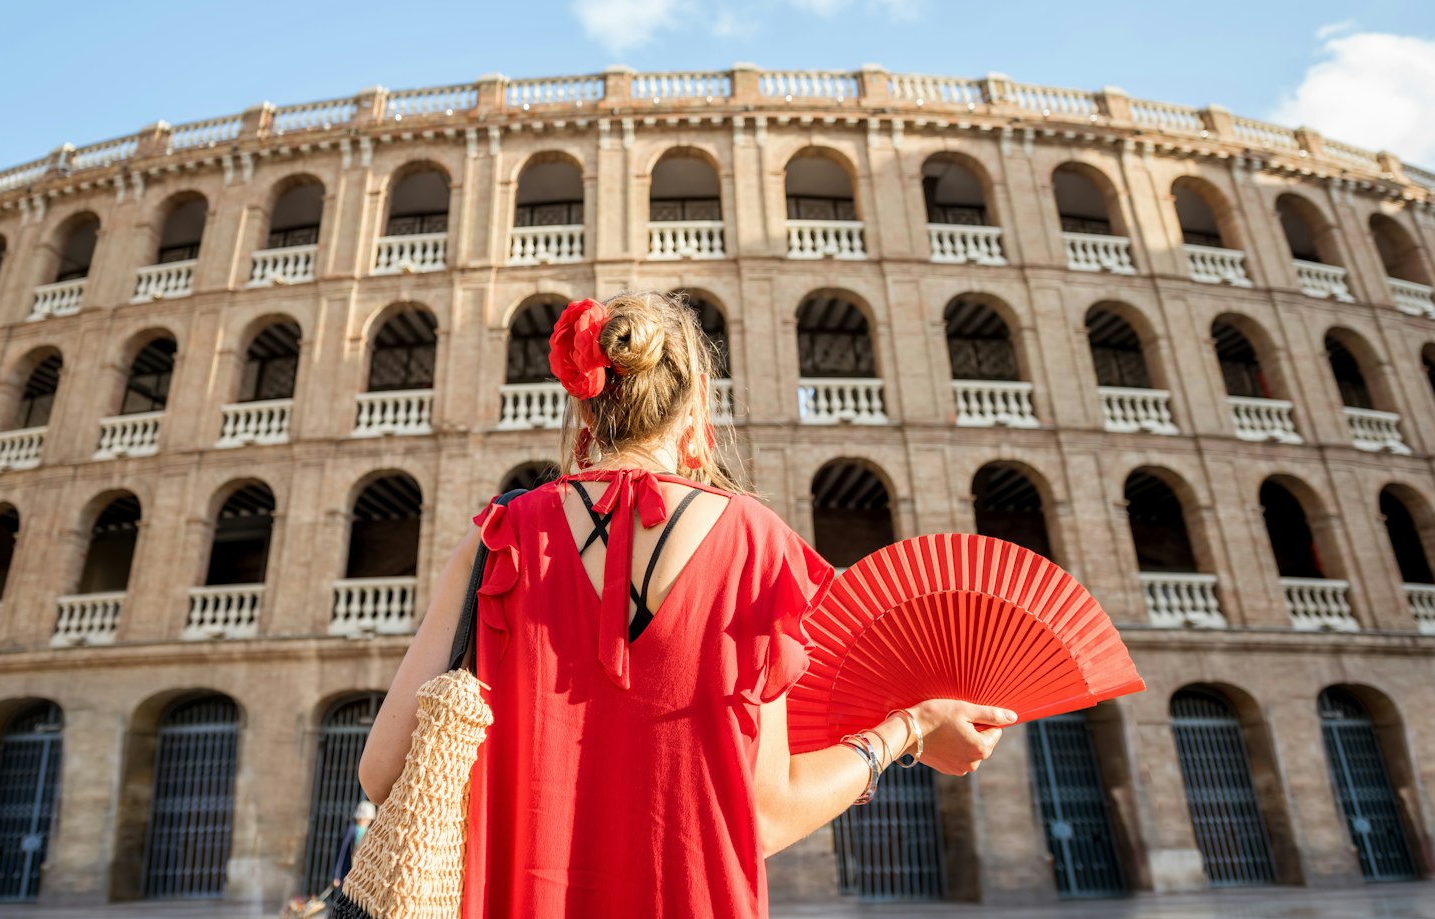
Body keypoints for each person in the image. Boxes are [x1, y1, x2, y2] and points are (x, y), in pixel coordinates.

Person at [358, 291, 1012, 917]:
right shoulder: (757, 546)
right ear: (699, 402)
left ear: (585, 407)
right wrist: (909, 728)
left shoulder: (496, 539)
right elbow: (766, 815)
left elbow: (382, 771)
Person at [329, 799, 374, 890]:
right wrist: (337, 875)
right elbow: (342, 852)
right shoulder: (351, 830)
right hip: (350, 870)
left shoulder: (369, 831)